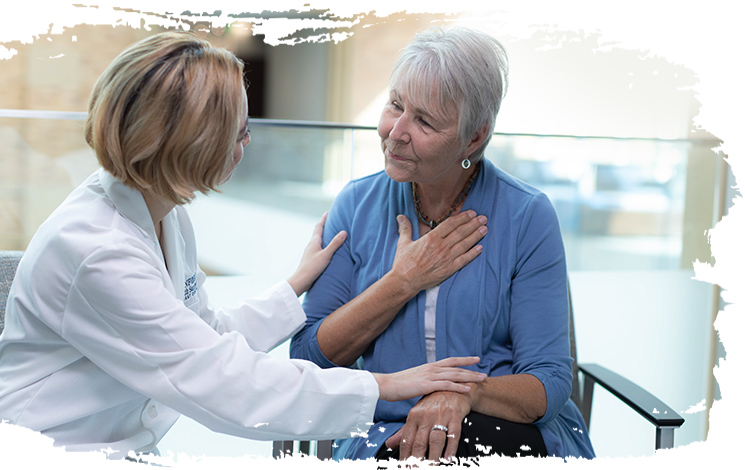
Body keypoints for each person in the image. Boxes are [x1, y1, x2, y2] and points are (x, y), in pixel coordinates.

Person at [0, 31, 491, 460]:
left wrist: (297, 282)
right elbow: (222, 383)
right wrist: (387, 385)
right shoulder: (96, 250)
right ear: (189, 147)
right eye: (239, 133)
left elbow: (201, 335)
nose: (247, 145)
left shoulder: (163, 213)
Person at [291, 26, 596, 461]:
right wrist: (403, 281)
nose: (394, 132)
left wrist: (465, 393)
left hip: (502, 430)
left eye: (424, 121)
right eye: (395, 105)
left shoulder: (528, 215)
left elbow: (548, 381)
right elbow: (308, 360)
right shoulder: (356, 204)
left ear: (474, 137)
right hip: (387, 433)